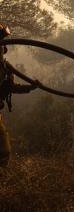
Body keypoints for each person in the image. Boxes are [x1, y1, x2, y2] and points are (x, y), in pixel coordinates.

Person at [0, 24, 37, 167]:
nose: (3, 47)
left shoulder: (4, 66)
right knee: (3, 151)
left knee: (4, 151)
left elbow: (9, 87)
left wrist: (30, 87)